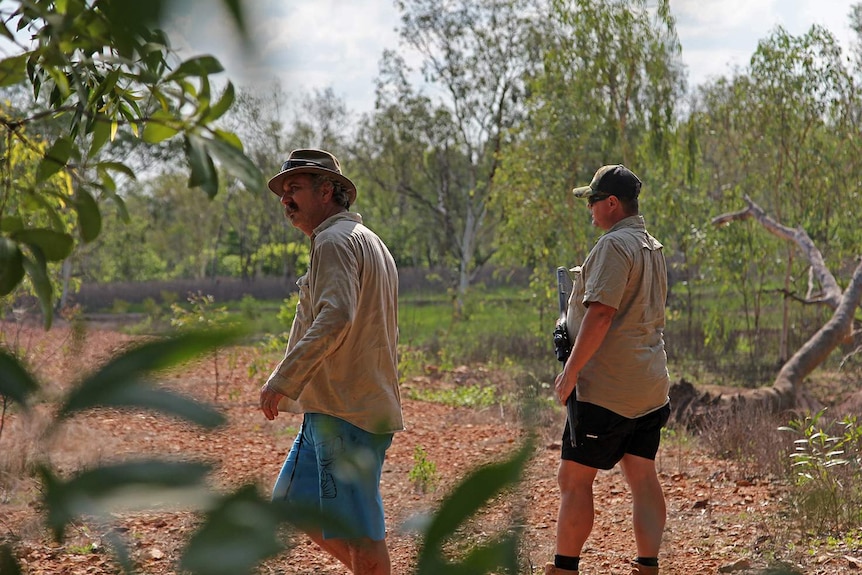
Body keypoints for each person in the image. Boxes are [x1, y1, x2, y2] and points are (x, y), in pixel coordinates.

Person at [258, 149, 402, 575]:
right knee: (293, 506)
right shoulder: (362, 239)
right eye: (284, 192)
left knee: (359, 531)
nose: (286, 199)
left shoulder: (335, 240)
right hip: (330, 407)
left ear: (327, 191)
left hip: (349, 411)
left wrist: (283, 378)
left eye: (295, 189)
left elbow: (336, 315)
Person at [546, 164, 671, 575]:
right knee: (642, 474)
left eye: (593, 201)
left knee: (574, 479)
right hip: (650, 385)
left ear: (612, 203)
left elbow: (600, 315)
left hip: (608, 389)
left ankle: (564, 568)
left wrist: (569, 375)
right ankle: (647, 566)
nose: (590, 209)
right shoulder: (652, 245)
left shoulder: (614, 246)